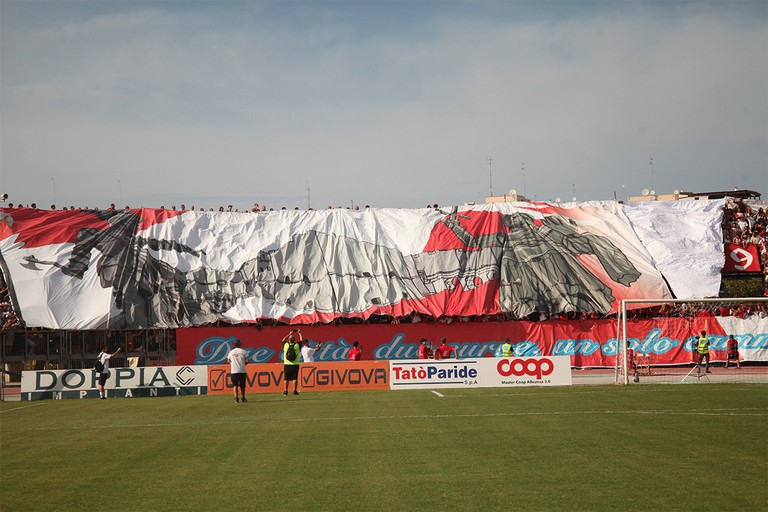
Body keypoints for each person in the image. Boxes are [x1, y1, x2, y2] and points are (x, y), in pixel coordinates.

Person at [226, 339, 248, 403]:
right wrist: (242, 364)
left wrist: (233, 363)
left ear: (234, 345)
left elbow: (228, 361)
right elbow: (247, 360)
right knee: (242, 386)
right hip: (242, 370)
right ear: (240, 344)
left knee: (235, 385)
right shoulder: (243, 351)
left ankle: (236, 398)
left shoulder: (231, 352)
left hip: (234, 371)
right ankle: (243, 397)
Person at [281, 328, 302, 395]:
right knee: (294, 378)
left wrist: (289, 334)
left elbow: (283, 340)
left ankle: (285, 391)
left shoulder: (286, 345)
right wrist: (299, 333)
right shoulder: (297, 345)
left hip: (287, 364)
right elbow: (301, 340)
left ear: (288, 340)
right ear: (294, 340)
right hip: (295, 364)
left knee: (286, 378)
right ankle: (294, 390)